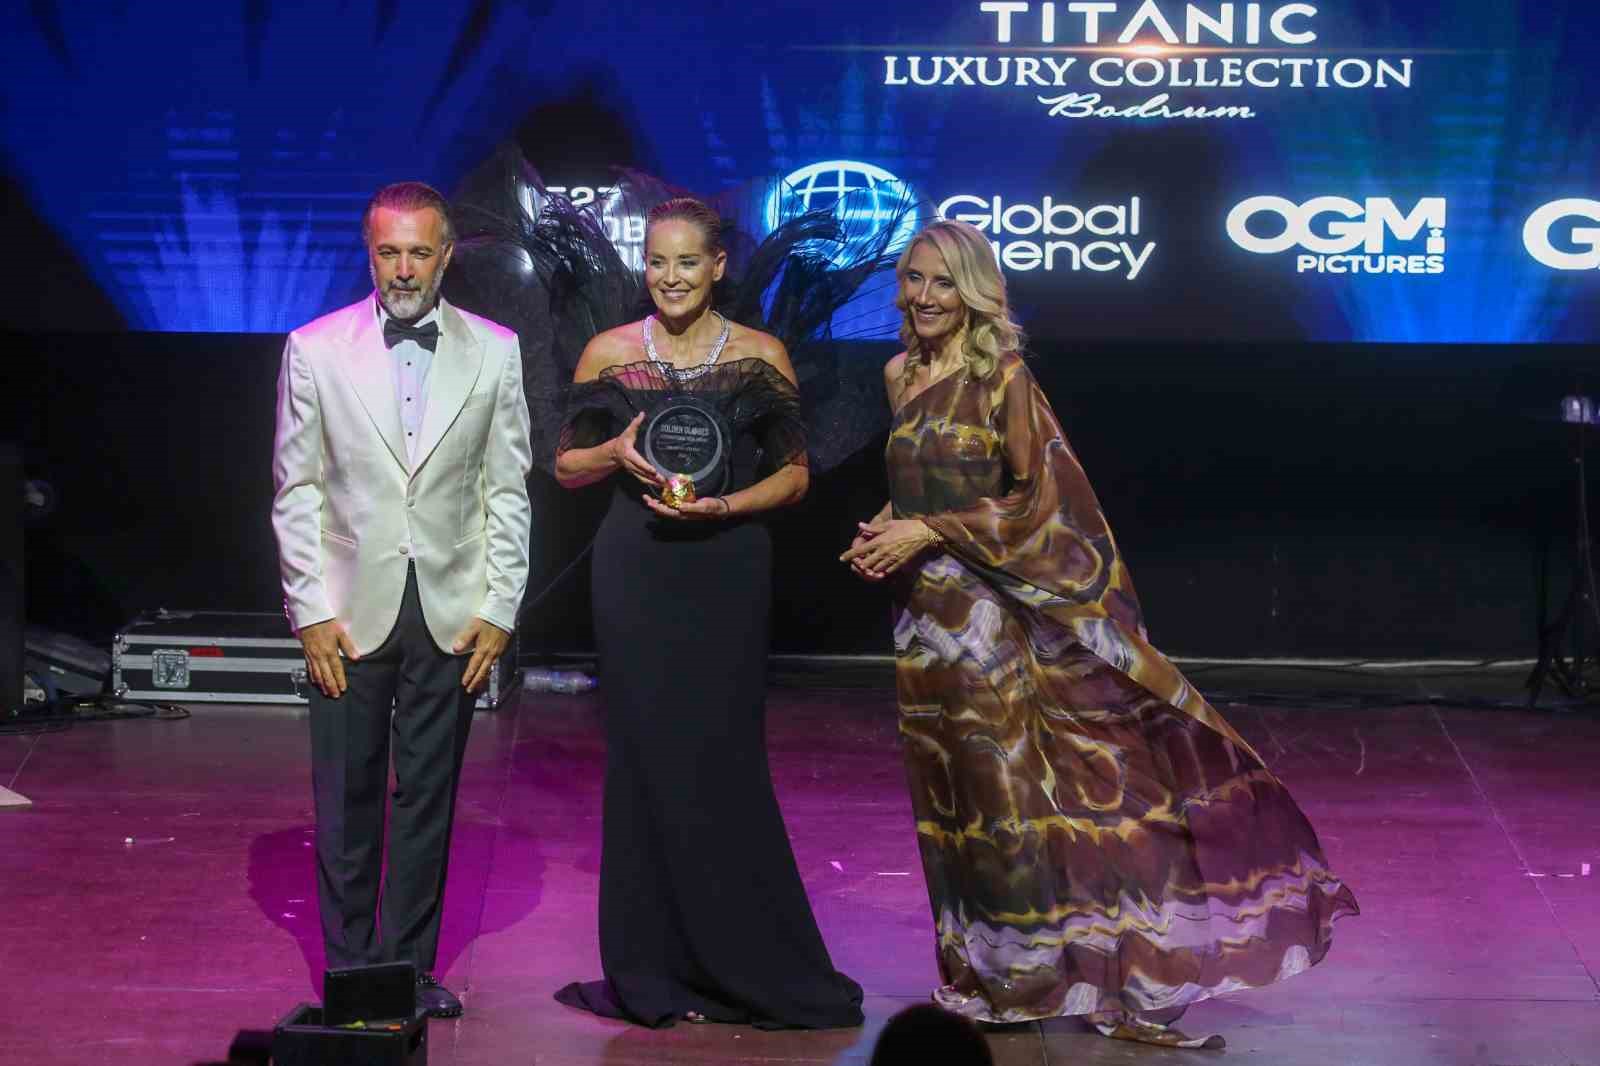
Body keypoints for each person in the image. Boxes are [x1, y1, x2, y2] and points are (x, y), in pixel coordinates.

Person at [841, 220, 1358, 1048]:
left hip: (993, 615)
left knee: (1008, 792)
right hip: (922, 621)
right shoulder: (900, 374)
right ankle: (985, 970)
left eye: (943, 282)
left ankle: (1042, 976)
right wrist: (885, 531)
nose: (925, 296)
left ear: (974, 292)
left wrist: (929, 530)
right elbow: (918, 488)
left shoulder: (1004, 376)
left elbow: (1041, 501)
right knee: (951, 795)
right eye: (914, 279)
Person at [550, 197, 864, 1029]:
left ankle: (743, 958)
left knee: (722, 754)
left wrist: (725, 507)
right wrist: (613, 452)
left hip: (727, 564)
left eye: (687, 262)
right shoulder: (610, 351)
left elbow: (795, 476)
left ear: (718, 266)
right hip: (636, 566)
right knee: (644, 754)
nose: (671, 277)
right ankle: (650, 964)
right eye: (657, 262)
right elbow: (566, 468)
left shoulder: (760, 354)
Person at [271, 181, 533, 1019]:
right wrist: (310, 610)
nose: (405, 269)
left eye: (420, 251)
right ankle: (353, 975)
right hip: (350, 607)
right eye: (389, 252)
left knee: (428, 796)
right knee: (346, 794)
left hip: (451, 605)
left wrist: (500, 605)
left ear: (446, 256)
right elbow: (297, 490)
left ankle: (407, 971)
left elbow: (507, 488)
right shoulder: (315, 348)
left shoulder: (495, 350)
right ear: (370, 255)